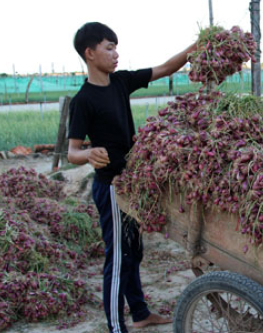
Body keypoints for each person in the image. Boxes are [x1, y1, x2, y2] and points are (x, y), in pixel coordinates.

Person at [67, 22, 196, 333]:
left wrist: (195, 49)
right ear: (90, 52)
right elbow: (73, 152)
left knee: (134, 250)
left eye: (115, 47)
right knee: (119, 256)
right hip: (110, 187)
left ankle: (140, 313)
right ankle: (115, 326)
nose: (116, 53)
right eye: (109, 47)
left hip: (131, 184)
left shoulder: (121, 82)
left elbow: (165, 68)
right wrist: (90, 153)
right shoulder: (83, 100)